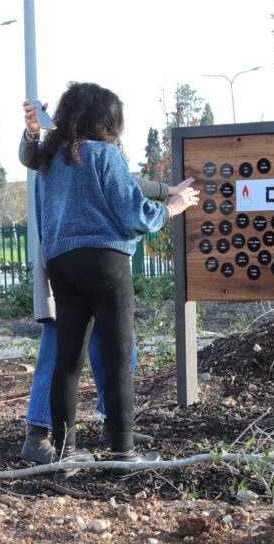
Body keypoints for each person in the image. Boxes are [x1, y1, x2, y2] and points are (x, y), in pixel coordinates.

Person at [30, 82, 198, 481]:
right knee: (117, 360)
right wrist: (172, 207)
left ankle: (65, 454)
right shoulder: (105, 155)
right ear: (106, 120)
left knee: (67, 362)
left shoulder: (50, 162)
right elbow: (132, 212)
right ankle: (123, 457)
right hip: (106, 264)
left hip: (61, 265)